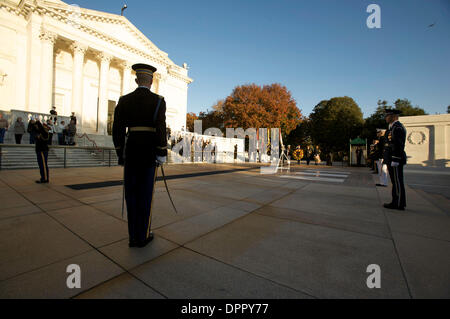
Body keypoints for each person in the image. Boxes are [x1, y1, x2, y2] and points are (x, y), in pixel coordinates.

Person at [113, 63, 168, 248]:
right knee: (145, 194)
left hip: (131, 151)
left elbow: (117, 130)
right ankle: (143, 236)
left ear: (137, 80)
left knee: (131, 194)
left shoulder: (124, 100)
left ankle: (132, 237)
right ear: (151, 81)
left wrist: (121, 152)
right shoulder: (158, 100)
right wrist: (161, 151)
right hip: (149, 152)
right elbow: (161, 129)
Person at [383, 109, 407, 210]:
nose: (386, 117)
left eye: (388, 116)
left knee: (397, 181)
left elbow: (398, 145)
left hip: (395, 158)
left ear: (394, 116)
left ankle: (398, 203)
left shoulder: (398, 128)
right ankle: (395, 201)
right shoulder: (392, 128)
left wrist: (395, 159)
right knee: (395, 182)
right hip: (391, 158)